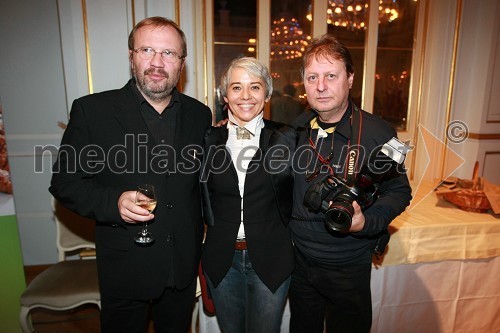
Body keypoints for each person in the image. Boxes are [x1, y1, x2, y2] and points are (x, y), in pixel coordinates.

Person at [49, 16, 212, 333]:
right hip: (125, 265)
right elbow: (65, 182)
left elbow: (201, 185)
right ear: (131, 56)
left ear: (181, 63)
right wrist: (114, 202)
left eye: (168, 53)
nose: (157, 62)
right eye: (147, 50)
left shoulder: (199, 114)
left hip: (182, 263)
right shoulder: (92, 111)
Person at [288, 34, 412, 333]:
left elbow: (399, 191)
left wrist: (366, 222)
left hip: (348, 263)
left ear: (350, 78)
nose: (320, 86)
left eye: (331, 75)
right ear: (303, 83)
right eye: (312, 77)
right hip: (299, 262)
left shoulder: (379, 132)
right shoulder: (295, 129)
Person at [200, 57, 295, 332]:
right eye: (236, 87)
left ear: (266, 93)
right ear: (225, 96)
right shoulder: (207, 140)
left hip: (271, 260)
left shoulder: (288, 138)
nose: (245, 96)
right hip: (222, 261)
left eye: (255, 87)